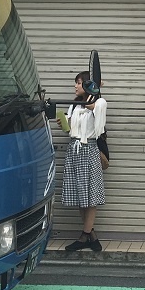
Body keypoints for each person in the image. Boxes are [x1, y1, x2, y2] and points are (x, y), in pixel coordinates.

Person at [60, 70, 107, 252]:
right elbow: (71, 129)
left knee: (91, 194)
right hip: (74, 149)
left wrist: (95, 92)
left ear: (87, 84)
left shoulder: (99, 103)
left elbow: (98, 116)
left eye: (79, 83)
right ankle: (90, 233)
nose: (75, 86)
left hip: (89, 149)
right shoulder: (74, 105)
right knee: (81, 195)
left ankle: (84, 236)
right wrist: (64, 123)